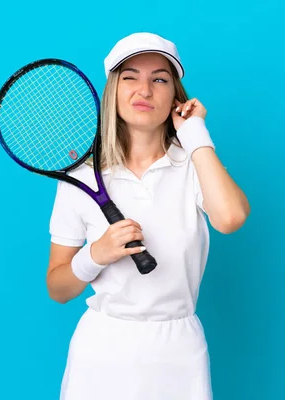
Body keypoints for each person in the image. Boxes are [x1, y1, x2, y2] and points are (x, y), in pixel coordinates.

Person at [46, 32, 250, 400]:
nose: (144, 89)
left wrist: (195, 133)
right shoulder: (79, 178)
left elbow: (231, 218)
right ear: (113, 91)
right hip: (100, 352)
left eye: (159, 78)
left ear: (176, 95)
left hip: (179, 352)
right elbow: (58, 289)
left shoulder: (194, 164)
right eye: (130, 77)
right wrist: (96, 255)